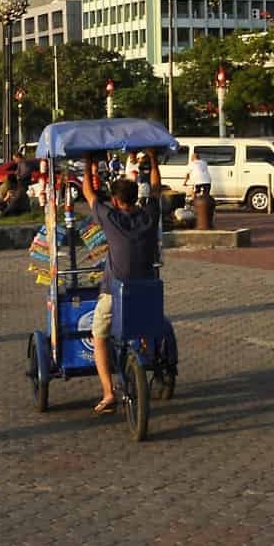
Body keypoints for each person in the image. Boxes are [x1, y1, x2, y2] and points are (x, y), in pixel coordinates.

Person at [79, 160, 160, 415]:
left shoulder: (110, 218)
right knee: (149, 326)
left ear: (115, 201)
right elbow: (156, 188)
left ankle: (107, 393)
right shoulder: (149, 215)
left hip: (115, 293)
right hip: (147, 293)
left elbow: (88, 193)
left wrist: (88, 163)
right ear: (136, 198)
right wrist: (153, 159)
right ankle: (148, 352)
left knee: (99, 336)